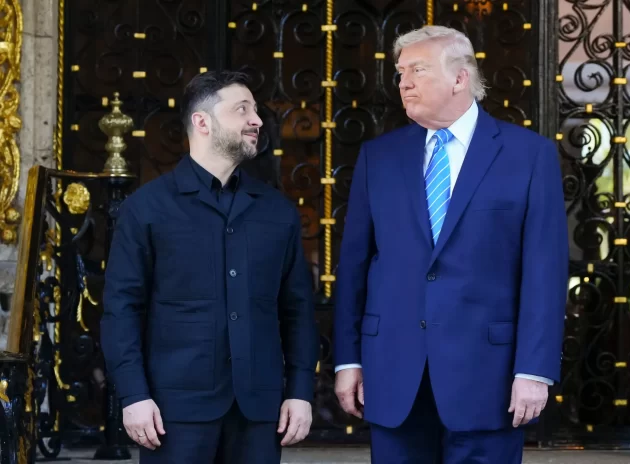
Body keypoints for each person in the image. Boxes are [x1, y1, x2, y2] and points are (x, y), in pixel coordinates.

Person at [333, 25, 568, 463]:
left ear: (460, 78)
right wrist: (348, 360)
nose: (403, 82)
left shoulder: (528, 154)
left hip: (489, 379)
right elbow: (354, 267)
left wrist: (534, 370)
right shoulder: (378, 157)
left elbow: (545, 272)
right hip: (393, 373)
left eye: (417, 70)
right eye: (401, 72)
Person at [101, 70, 319, 464]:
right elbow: (122, 309)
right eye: (242, 109)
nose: (257, 120)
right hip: (172, 413)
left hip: (259, 412)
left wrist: (300, 391)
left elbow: (298, 310)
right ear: (202, 122)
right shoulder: (146, 208)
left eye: (255, 110)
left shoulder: (278, 212)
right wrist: (133, 395)